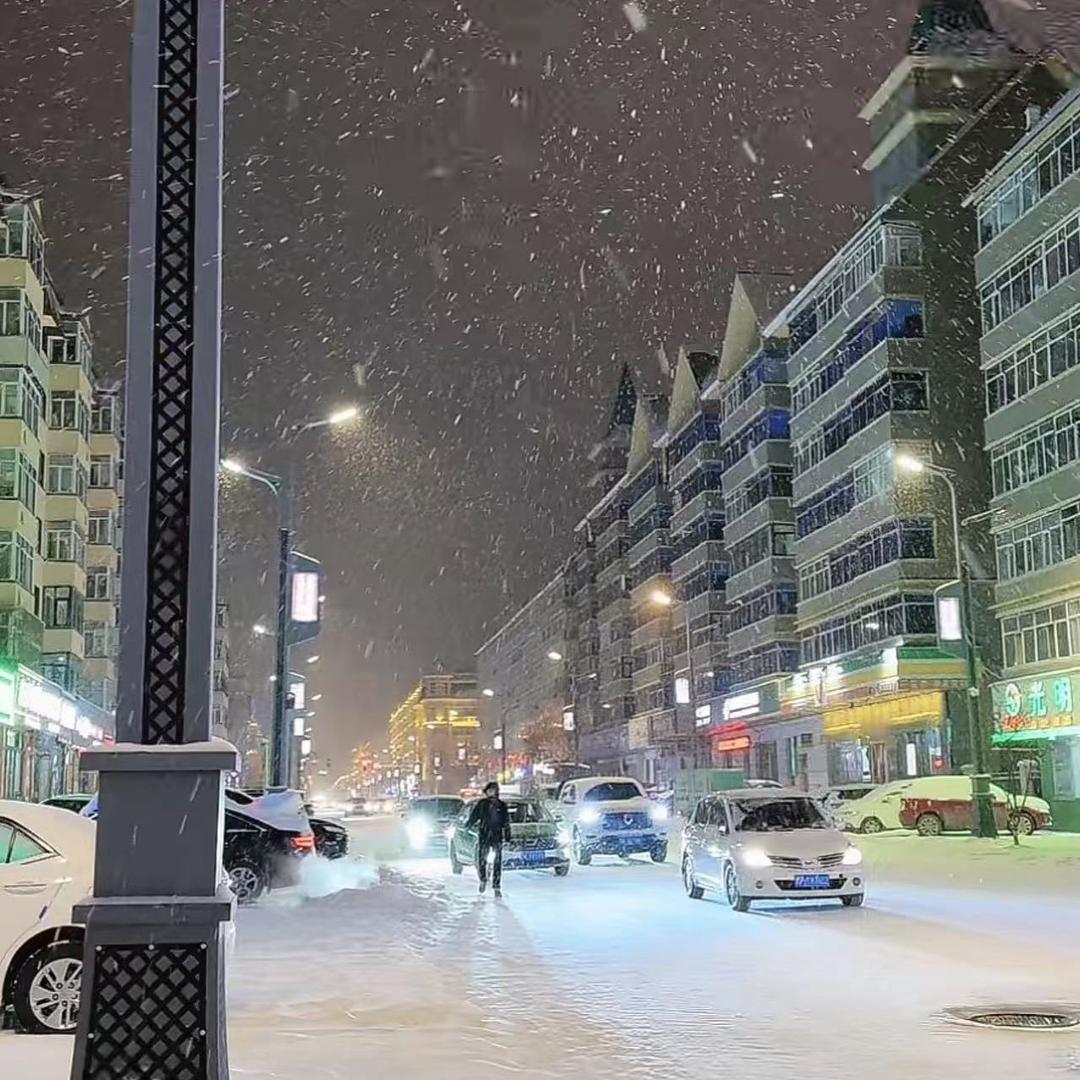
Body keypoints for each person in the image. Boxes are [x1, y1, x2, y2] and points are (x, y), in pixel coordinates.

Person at [466, 781, 512, 896]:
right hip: (484, 835)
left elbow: (506, 822)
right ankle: (483, 879)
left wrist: (507, 836)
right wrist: (468, 825)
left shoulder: (501, 805)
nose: (491, 792)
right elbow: (474, 816)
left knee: (497, 861)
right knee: (482, 858)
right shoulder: (482, 804)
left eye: (493, 790)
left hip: (497, 836)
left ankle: (496, 885)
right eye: (489, 790)